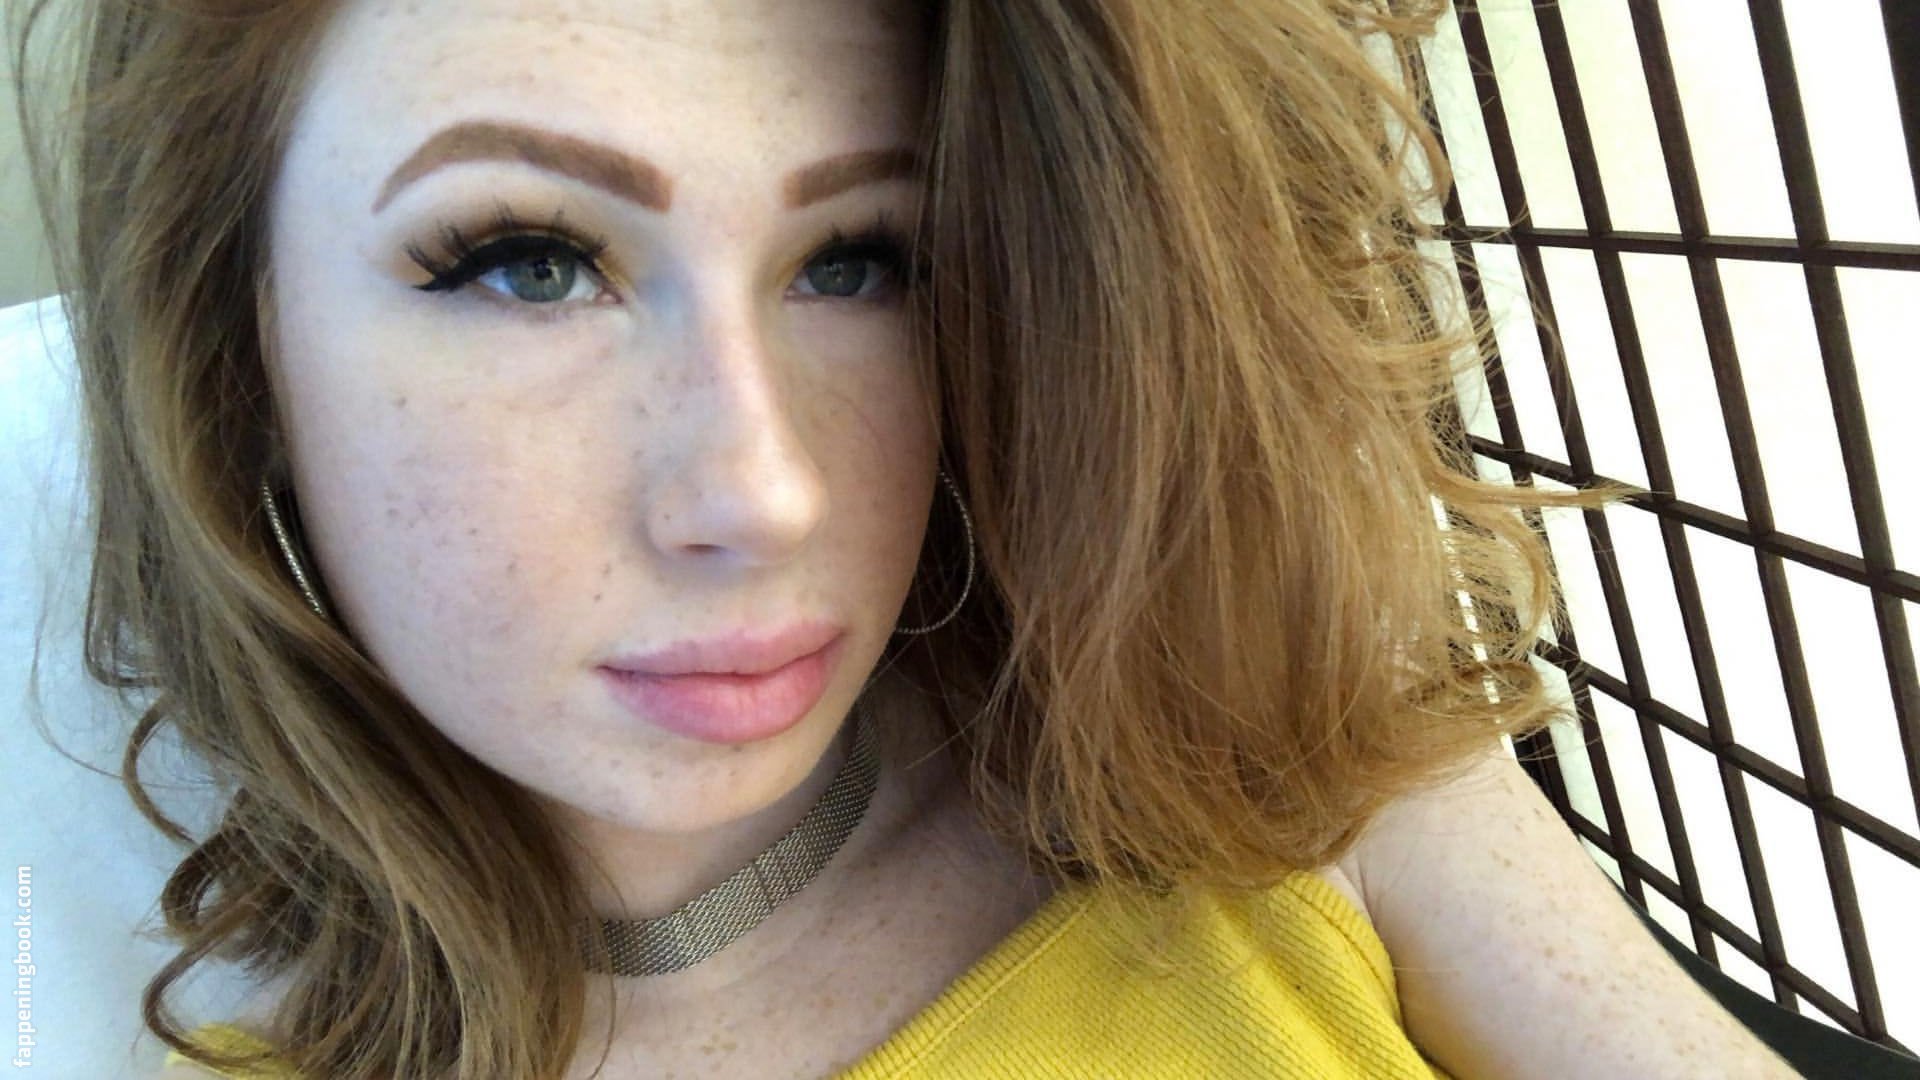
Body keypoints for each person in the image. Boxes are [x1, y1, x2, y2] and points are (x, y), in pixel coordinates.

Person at [10, 0, 1803, 1076]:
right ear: (239, 352)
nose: (762, 491)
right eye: (527, 261)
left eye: (860, 260)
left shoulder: (1266, 777)